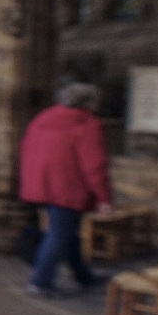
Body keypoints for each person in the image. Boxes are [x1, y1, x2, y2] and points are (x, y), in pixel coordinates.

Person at [19, 81, 113, 297]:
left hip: (41, 185)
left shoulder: (43, 118)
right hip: (67, 188)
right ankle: (40, 282)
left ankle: (83, 276)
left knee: (68, 233)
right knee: (60, 234)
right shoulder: (86, 123)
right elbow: (94, 164)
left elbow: (26, 150)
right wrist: (103, 198)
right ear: (88, 102)